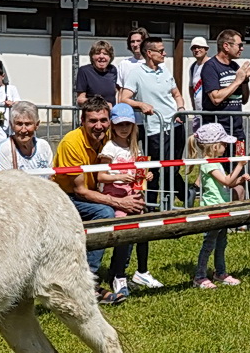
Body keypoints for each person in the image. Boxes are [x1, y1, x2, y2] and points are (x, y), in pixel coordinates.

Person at [55, 95, 133, 281]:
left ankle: (119, 273)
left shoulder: (108, 137)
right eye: (93, 121)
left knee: (134, 210)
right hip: (65, 198)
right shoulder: (71, 143)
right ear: (82, 121)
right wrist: (119, 201)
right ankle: (89, 278)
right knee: (105, 212)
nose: (99, 126)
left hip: (92, 192)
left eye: (103, 120)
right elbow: (80, 190)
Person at [98, 102, 156, 302]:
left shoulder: (134, 147)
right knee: (124, 233)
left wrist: (146, 175)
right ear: (112, 126)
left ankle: (140, 270)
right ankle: (118, 275)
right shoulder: (109, 148)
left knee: (142, 231)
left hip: (134, 194)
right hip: (117, 197)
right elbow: (100, 176)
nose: (124, 128)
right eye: (120, 124)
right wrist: (119, 176)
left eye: (128, 124)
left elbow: (139, 170)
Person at [118, 35, 180, 204]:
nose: (164, 54)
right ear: (149, 53)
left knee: (173, 167)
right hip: (155, 128)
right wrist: (141, 105)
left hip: (174, 125)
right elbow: (124, 98)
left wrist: (181, 109)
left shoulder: (165, 70)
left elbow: (176, 94)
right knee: (154, 168)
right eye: (161, 51)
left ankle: (171, 200)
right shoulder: (136, 73)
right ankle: (151, 204)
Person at [188, 121, 246, 287]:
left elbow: (226, 184)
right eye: (223, 144)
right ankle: (199, 276)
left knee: (222, 242)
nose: (226, 147)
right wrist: (239, 166)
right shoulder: (209, 164)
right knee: (209, 243)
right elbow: (227, 181)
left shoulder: (216, 162)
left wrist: (239, 179)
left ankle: (220, 272)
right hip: (213, 208)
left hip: (222, 206)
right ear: (214, 146)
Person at [197, 28, 250, 140]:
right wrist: (237, 81)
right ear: (226, 46)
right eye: (239, 45)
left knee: (240, 158)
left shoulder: (235, 66)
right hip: (217, 132)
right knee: (220, 158)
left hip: (237, 130)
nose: (242, 48)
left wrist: (245, 79)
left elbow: (244, 99)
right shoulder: (210, 66)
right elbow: (216, 98)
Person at [0, 100, 53, 173]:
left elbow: (50, 176)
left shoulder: (44, 146)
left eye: (28, 124)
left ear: (36, 125)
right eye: (19, 124)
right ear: (11, 125)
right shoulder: (4, 149)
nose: (23, 130)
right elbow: (2, 181)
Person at [74, 40, 120, 107]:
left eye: (105, 54)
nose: (101, 56)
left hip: (111, 115)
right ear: (92, 56)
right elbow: (80, 100)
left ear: (110, 57)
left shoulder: (113, 70)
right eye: (97, 53)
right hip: (93, 114)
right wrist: (103, 105)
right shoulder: (84, 71)